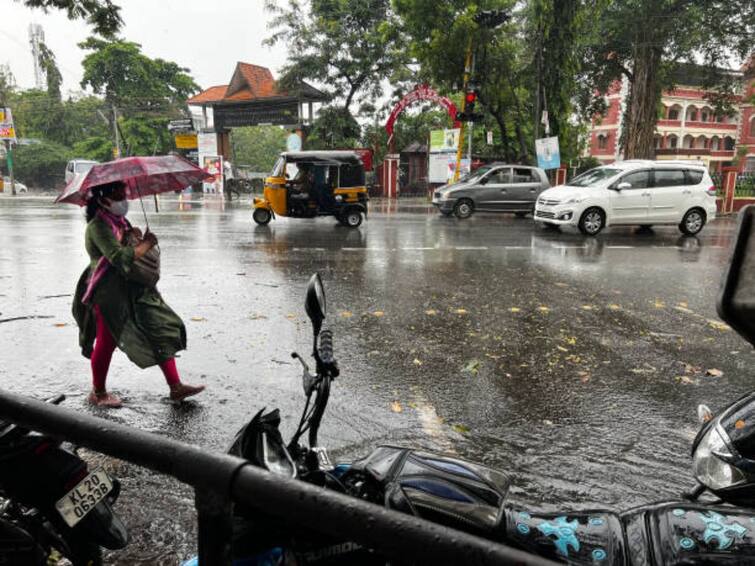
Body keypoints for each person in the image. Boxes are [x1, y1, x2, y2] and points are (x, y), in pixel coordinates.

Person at [72, 181, 205, 407]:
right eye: (118, 195)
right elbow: (119, 257)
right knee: (107, 341)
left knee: (157, 327)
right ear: (104, 197)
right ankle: (99, 392)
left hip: (132, 287)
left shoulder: (119, 221)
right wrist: (145, 245)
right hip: (107, 291)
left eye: (124, 194)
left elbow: (127, 247)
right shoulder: (97, 227)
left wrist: (133, 235)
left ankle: (176, 386)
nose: (124, 200)